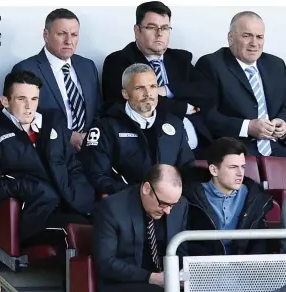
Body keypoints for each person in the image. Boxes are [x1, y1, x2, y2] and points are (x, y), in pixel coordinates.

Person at [0, 70, 96, 248]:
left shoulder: (52, 126)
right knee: (82, 233)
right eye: (21, 99)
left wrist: (82, 196)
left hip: (71, 205)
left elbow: (73, 167)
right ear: (5, 101)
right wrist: (34, 187)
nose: (29, 106)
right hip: (35, 216)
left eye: (34, 99)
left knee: (111, 226)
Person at [102, 1, 216, 158]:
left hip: (198, 145)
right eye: (151, 27)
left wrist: (168, 90)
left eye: (165, 28)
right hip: (149, 145)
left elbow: (208, 90)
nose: (159, 33)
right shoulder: (119, 61)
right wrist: (183, 107)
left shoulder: (180, 58)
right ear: (137, 31)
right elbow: (125, 104)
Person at [79, 63, 194, 196]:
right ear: (125, 93)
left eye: (153, 86)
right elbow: (96, 175)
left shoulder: (174, 123)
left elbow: (187, 167)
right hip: (127, 203)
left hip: (171, 202)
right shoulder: (105, 128)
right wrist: (140, 195)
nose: (148, 94)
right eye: (139, 88)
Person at [196, 11, 286, 157]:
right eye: (247, 36)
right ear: (230, 37)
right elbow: (207, 116)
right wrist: (248, 127)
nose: (254, 43)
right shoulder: (211, 65)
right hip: (237, 153)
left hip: (279, 149)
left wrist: (282, 122)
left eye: (259, 37)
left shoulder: (276, 65)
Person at [12, 8, 103, 152]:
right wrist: (67, 136)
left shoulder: (88, 66)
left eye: (74, 35)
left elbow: (98, 111)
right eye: (61, 34)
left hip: (90, 149)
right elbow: (24, 117)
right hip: (48, 151)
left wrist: (91, 137)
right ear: (46, 35)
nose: (68, 41)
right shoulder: (26, 68)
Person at [92, 164, 188, 292]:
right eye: (163, 204)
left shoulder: (181, 206)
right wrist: (152, 277)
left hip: (166, 280)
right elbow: (106, 263)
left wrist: (180, 274)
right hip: (124, 283)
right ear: (147, 189)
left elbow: (181, 250)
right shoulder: (112, 208)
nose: (168, 211)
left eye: (173, 205)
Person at [182, 137, 274, 256]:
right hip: (205, 268)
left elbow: (259, 244)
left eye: (243, 167)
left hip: (245, 269)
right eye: (233, 167)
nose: (240, 173)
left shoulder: (255, 198)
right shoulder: (191, 198)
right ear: (214, 170)